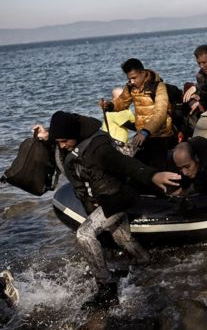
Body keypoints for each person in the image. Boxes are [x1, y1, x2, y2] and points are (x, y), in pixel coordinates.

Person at [34, 111, 180, 308]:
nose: (61, 146)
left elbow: (127, 164)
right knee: (121, 236)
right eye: (57, 141)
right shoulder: (74, 137)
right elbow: (62, 138)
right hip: (107, 198)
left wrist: (153, 176)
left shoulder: (99, 149)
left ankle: (106, 288)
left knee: (84, 235)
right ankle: (145, 262)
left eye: (64, 141)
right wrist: (46, 134)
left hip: (117, 198)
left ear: (74, 135)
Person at [100, 58, 174, 169]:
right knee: (137, 167)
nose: (132, 81)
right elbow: (122, 102)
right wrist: (110, 105)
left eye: (134, 78)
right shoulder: (130, 87)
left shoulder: (159, 87)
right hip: (142, 135)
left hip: (160, 134)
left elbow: (160, 114)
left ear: (143, 73)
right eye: (130, 79)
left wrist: (145, 132)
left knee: (158, 168)